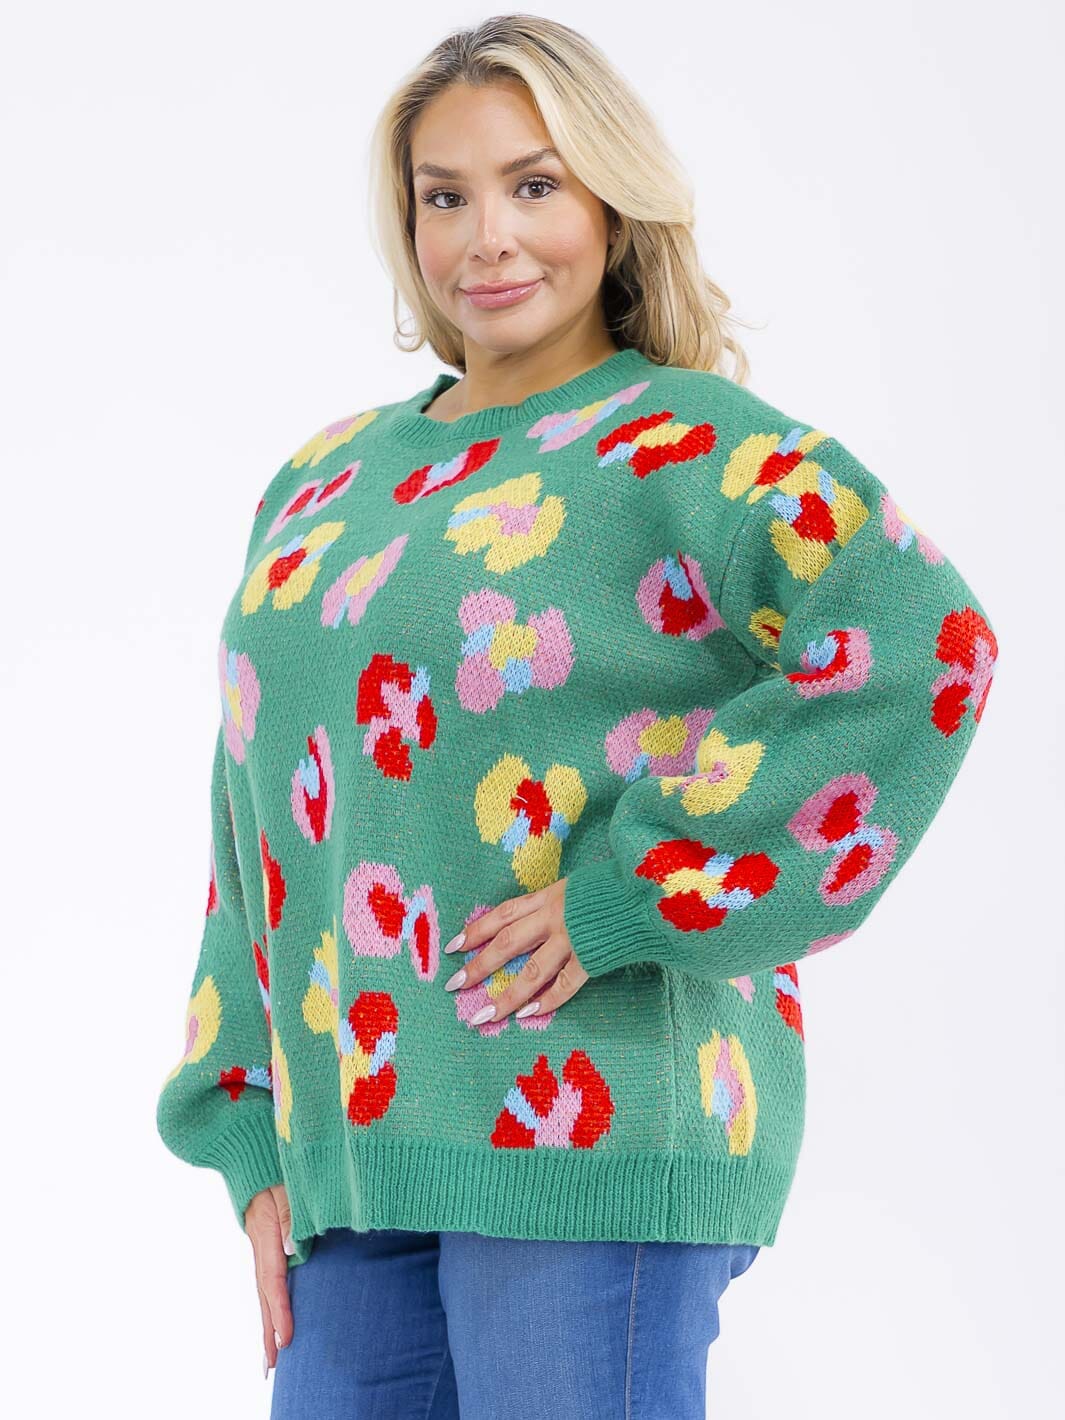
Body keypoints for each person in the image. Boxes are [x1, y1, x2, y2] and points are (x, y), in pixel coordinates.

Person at [154, 15, 999, 1419]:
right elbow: (254, 803)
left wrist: (635, 891)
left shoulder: (696, 448)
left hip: (591, 1123)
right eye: (444, 196)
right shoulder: (322, 483)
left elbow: (924, 646)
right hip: (354, 1153)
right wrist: (245, 1118)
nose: (487, 237)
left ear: (612, 203)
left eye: (533, 185)